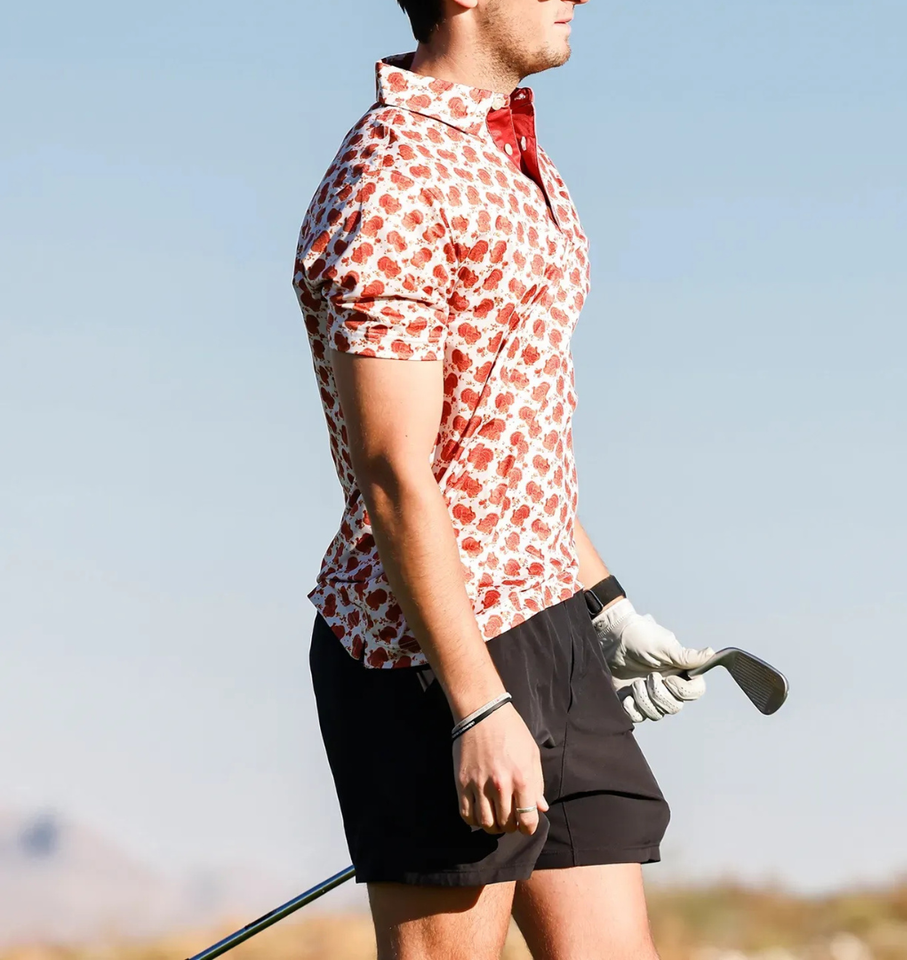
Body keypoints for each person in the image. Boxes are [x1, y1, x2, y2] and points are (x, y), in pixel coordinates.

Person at [292, 2, 715, 957]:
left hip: (550, 624)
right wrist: (476, 702)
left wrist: (606, 606)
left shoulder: (520, 160)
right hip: (426, 647)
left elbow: (507, 444)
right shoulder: (391, 177)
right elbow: (396, 471)